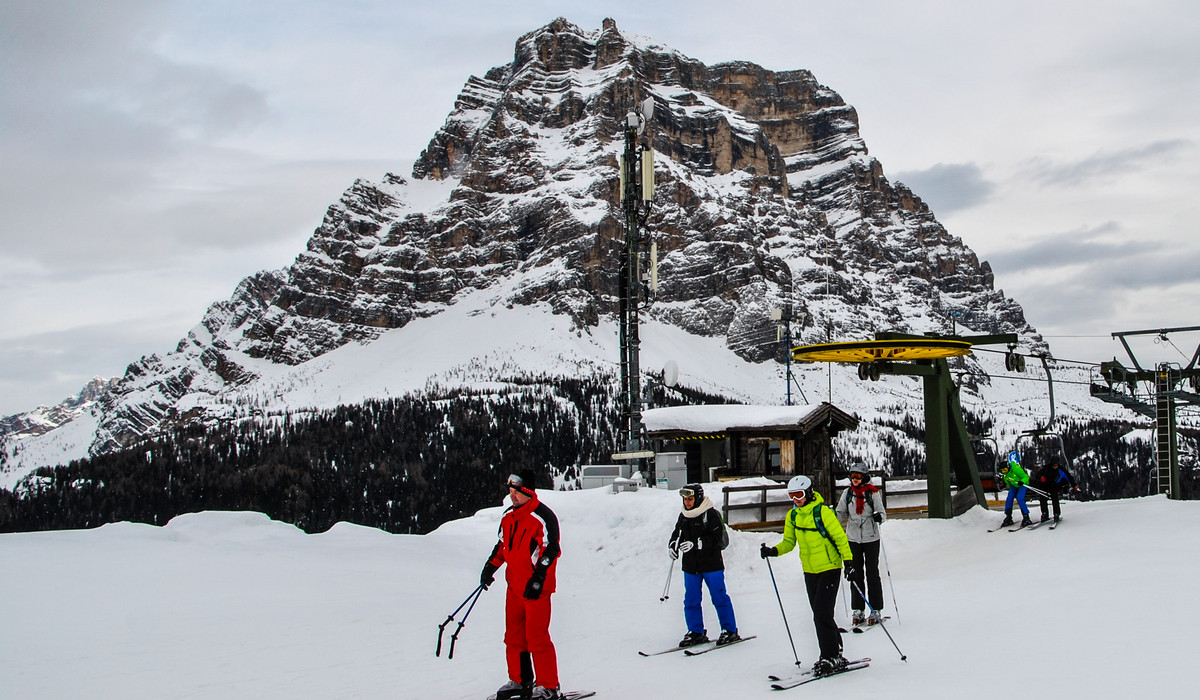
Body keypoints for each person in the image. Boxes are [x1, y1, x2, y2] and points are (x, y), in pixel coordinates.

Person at [480, 470, 564, 700]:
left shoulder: (542, 517)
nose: (512, 496)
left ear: (528, 492)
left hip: (536, 589)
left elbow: (551, 550)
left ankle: (548, 686)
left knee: (537, 637)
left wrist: (538, 580)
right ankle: (520, 680)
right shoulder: (508, 517)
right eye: (511, 491)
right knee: (514, 637)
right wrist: (489, 568)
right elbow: (501, 547)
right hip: (514, 587)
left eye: (517, 492)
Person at [760, 475, 855, 676]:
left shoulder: (823, 513)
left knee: (822, 612)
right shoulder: (793, 516)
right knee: (819, 613)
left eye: (799, 494)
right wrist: (773, 551)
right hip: (810, 571)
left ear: (809, 493)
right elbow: (788, 542)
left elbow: (840, 538)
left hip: (830, 568)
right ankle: (834, 650)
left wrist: (849, 562)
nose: (795, 499)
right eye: (792, 495)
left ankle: (829, 656)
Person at [668, 483, 740, 648]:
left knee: (719, 597)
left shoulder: (711, 514)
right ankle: (696, 631)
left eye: (690, 499)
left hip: (711, 565)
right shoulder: (684, 515)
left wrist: (696, 543)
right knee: (691, 600)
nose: (687, 502)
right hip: (691, 566)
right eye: (685, 499)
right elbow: (676, 534)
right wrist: (672, 546)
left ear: (698, 498)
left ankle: (729, 630)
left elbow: (717, 539)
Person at [834, 466, 886, 625]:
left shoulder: (873, 493)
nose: (854, 479)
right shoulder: (848, 493)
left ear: (864, 477)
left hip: (871, 538)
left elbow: (882, 514)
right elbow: (841, 512)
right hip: (853, 538)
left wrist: (878, 517)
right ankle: (858, 609)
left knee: (872, 573)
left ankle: (875, 608)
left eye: (858, 476)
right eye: (852, 476)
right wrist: (830, 520)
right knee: (855, 573)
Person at [999, 451, 1032, 527]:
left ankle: (1026, 516)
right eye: (1002, 471)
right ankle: (1008, 516)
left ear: (1008, 467)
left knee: (1020, 498)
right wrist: (1006, 486)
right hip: (1014, 485)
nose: (1004, 472)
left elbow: (1026, 477)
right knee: (1009, 498)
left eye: (1005, 470)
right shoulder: (1006, 475)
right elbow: (1008, 483)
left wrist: (1022, 481)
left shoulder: (1015, 468)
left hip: (1022, 484)